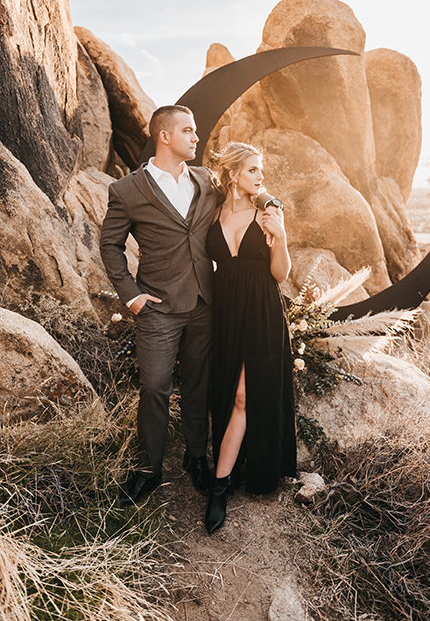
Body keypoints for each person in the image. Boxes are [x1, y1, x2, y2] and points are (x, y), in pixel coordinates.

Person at [100, 105, 221, 506]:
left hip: (204, 300)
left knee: (199, 385)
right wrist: (132, 296)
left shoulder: (205, 181)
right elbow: (110, 245)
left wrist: (270, 199)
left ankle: (196, 457)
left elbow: (244, 188)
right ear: (164, 136)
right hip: (158, 307)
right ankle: (148, 470)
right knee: (154, 386)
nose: (196, 137)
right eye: (188, 130)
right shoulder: (128, 190)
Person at [204, 142, 297, 533]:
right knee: (223, 391)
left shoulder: (268, 213)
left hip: (260, 310)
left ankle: (220, 486)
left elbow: (280, 274)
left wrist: (282, 238)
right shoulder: (211, 211)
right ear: (232, 175)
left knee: (245, 394)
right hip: (224, 312)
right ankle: (230, 469)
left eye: (262, 170)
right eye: (253, 170)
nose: (261, 177)